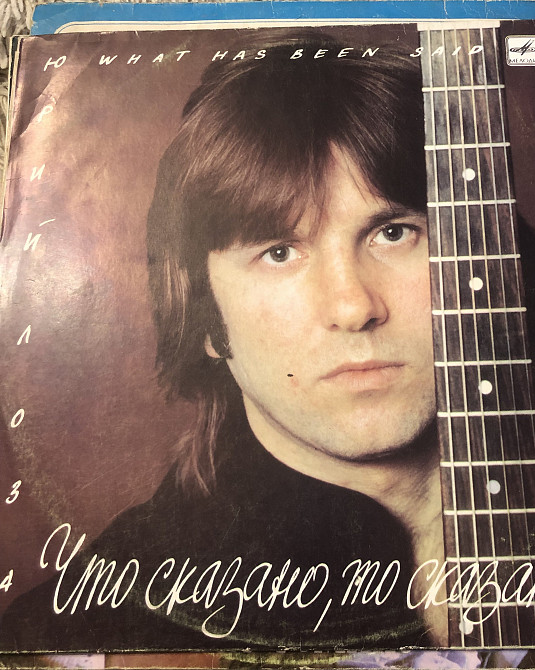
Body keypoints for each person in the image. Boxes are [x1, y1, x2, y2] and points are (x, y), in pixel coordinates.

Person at [0, 30, 449, 651]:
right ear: (208, 319)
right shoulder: (84, 633)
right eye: (279, 252)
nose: (353, 308)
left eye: (394, 233)